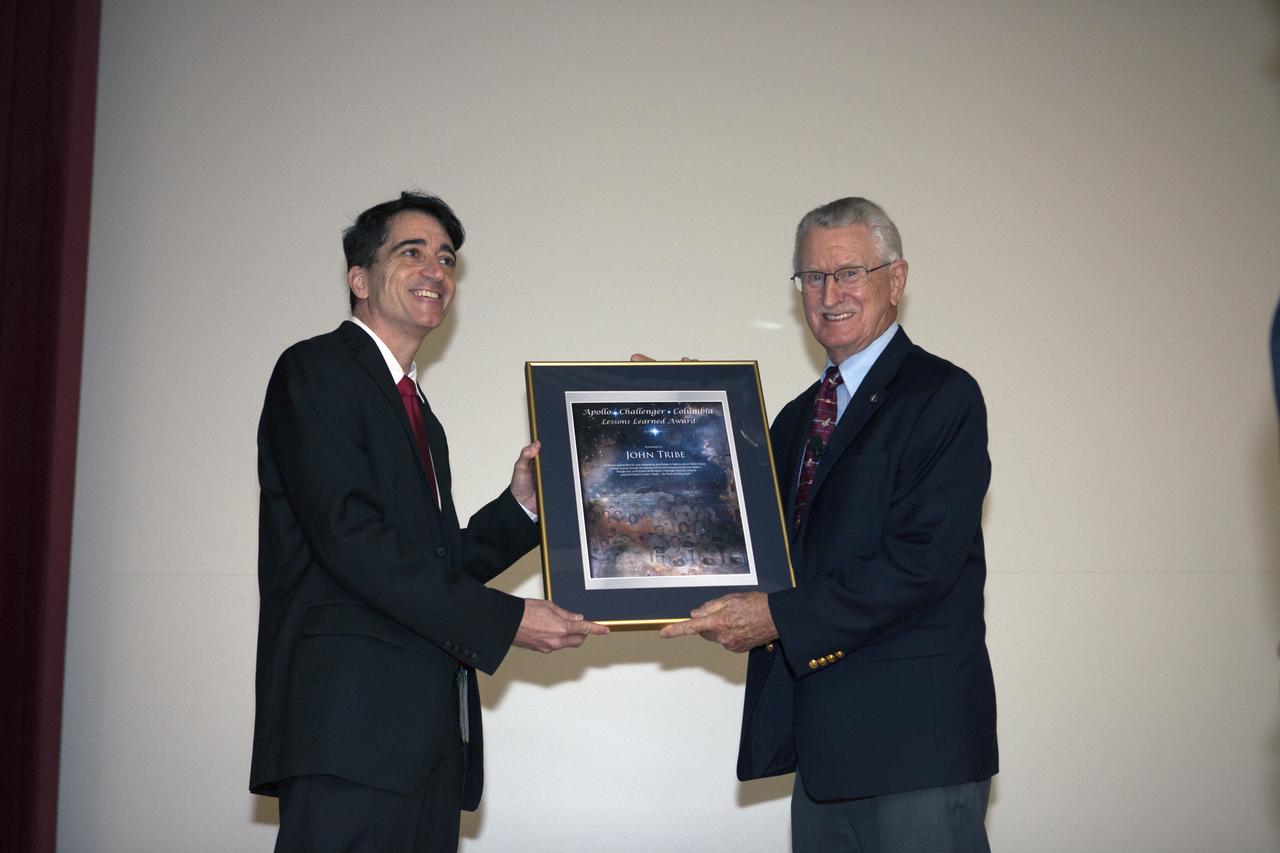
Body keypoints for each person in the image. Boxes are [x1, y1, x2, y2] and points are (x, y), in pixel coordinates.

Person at [250, 191, 607, 852]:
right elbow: (351, 539)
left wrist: (523, 505)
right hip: (349, 736)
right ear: (358, 278)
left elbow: (433, 563)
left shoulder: (420, 414)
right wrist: (504, 619)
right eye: (410, 252)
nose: (436, 270)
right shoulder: (316, 371)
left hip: (426, 746)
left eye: (446, 259)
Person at [660, 197, 998, 851]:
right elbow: (753, 539)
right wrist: (681, 420)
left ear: (894, 280)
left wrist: (777, 617)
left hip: (916, 751)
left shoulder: (942, 396)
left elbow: (922, 561)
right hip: (823, 755)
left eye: (849, 273)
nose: (829, 293)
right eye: (812, 277)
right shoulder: (793, 421)